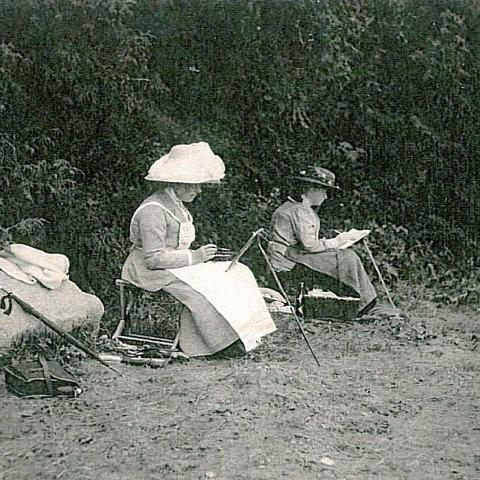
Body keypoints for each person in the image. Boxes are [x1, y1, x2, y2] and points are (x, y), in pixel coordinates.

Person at [121, 142, 276, 357]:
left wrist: (199, 258)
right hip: (148, 272)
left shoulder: (175, 205)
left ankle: (247, 334)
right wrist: (195, 256)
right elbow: (153, 259)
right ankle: (217, 346)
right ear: (178, 183)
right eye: (194, 185)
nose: (198, 190)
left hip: (174, 265)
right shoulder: (153, 211)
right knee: (204, 293)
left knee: (236, 273)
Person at [267, 165, 377, 317]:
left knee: (345, 256)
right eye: (324, 191)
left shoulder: (291, 206)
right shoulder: (300, 210)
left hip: (288, 254)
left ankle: (358, 298)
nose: (325, 196)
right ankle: (360, 300)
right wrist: (338, 241)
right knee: (347, 257)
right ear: (311, 189)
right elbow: (310, 246)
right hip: (289, 260)